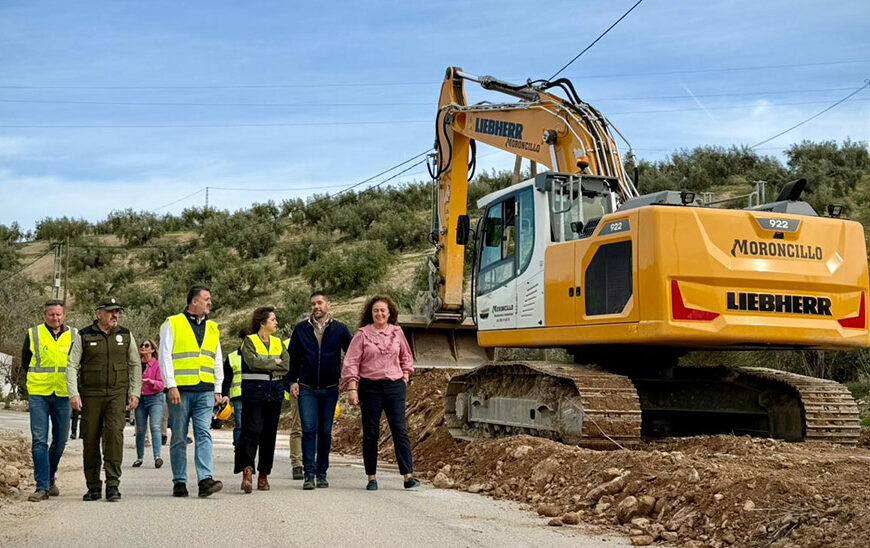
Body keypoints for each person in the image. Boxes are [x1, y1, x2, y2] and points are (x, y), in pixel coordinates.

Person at [67, 297, 142, 502]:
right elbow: (72, 365)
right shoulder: (83, 335)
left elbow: (135, 364)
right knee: (90, 440)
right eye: (110, 311)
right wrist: (73, 393)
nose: (115, 315)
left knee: (114, 439)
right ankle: (92, 486)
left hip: (117, 395)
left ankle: (112, 485)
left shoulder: (126, 335)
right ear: (99, 313)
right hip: (91, 396)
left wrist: (135, 392)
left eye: (117, 311)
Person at [341, 295, 419, 491]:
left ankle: (408, 476)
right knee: (371, 433)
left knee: (399, 430)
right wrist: (352, 388)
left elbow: (406, 357)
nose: (380, 313)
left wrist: (405, 376)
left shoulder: (397, 332)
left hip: (394, 386)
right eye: (376, 310)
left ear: (390, 312)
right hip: (370, 387)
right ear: (371, 313)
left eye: (383, 310)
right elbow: (351, 361)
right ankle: (372, 477)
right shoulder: (362, 334)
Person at [158, 286, 224, 498]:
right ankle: (179, 480)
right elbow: (165, 355)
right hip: (181, 390)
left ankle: (205, 479)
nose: (210, 303)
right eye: (206, 299)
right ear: (194, 302)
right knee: (179, 436)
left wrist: (217, 388)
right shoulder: (173, 323)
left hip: (205, 389)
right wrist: (171, 385)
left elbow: (216, 359)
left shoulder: (213, 327)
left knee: (204, 433)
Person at [286, 292, 352, 490]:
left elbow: (351, 355)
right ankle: (309, 474)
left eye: (320, 303)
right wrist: (291, 381)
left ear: (328, 305)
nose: (316, 306)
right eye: (313, 304)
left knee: (325, 432)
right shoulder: (300, 330)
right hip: (306, 387)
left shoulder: (340, 329)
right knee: (308, 429)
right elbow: (292, 358)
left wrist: (348, 379)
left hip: (331, 388)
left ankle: (322, 473)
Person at [22, 300, 76, 502]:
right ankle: (41, 486)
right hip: (39, 393)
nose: (55, 318)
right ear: (44, 315)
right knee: (39, 441)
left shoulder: (74, 335)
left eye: (59, 314)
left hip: (63, 394)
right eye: (51, 314)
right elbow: (26, 362)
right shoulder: (33, 334)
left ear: (64, 315)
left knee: (61, 440)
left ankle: (50, 477)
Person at [234, 307, 289, 493]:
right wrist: (275, 363)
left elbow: (287, 365)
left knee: (269, 434)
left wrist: (267, 365)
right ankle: (247, 470)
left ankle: (264, 474)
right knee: (252, 431)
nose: (276, 323)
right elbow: (252, 362)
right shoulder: (249, 341)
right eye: (273, 319)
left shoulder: (278, 342)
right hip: (254, 393)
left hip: (274, 393)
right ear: (262, 322)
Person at [282, 312, 308, 481]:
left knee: (314, 428)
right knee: (298, 427)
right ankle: (297, 464)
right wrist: (291, 384)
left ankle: (311, 462)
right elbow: (285, 370)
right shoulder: (288, 345)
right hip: (297, 388)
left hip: (317, 388)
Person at [133, 339, 165, 468]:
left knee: (155, 427)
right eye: (141, 345)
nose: (143, 347)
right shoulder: (136, 365)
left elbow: (162, 384)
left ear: (152, 349)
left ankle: (157, 457)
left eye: (147, 345)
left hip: (155, 398)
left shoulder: (157, 364)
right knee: (140, 430)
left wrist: (152, 382)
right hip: (140, 400)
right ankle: (139, 458)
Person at [220, 330, 247, 447]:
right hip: (238, 396)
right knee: (240, 425)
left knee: (253, 425)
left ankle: (248, 450)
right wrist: (225, 395)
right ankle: (239, 449)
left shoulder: (258, 356)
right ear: (242, 339)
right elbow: (227, 379)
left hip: (256, 395)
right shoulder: (232, 357)